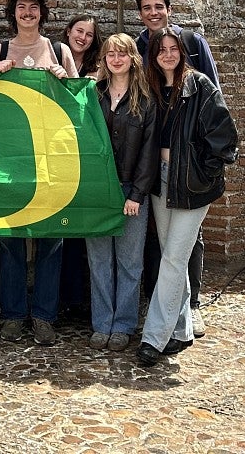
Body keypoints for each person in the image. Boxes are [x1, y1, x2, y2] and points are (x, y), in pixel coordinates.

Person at [136, 27, 239, 367]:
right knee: (171, 256)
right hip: (161, 182)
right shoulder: (150, 88)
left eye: (173, 48)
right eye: (161, 49)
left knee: (175, 257)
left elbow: (226, 140)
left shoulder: (200, 86)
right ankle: (180, 331)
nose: (167, 54)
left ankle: (153, 337)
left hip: (192, 185)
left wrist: (204, 172)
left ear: (182, 51)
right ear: (153, 55)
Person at [0, 0, 78, 346]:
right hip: (10, 158)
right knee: (10, 239)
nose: (27, 13)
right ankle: (13, 314)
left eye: (34, 7)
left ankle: (44, 316)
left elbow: (76, 103)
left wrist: (63, 80)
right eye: (21, 7)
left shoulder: (59, 50)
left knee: (51, 240)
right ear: (13, 13)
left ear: (42, 13)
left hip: (49, 158)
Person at [134, 0, 220, 338]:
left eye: (159, 6)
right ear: (141, 13)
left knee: (189, 238)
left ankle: (192, 305)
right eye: (146, 8)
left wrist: (202, 160)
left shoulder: (193, 42)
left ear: (169, 8)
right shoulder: (138, 46)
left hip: (189, 163)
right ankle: (174, 310)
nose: (153, 12)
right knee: (164, 240)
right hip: (156, 161)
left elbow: (212, 96)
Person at [85, 33, 158, 351]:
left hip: (130, 190)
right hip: (98, 190)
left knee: (129, 261)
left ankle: (124, 325)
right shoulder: (92, 95)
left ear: (132, 59)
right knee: (100, 260)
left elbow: (149, 152)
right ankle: (102, 323)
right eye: (110, 54)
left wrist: (137, 195)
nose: (116, 59)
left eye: (122, 54)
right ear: (103, 59)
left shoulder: (146, 99)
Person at [57, 14, 103, 319]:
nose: (83, 37)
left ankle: (80, 298)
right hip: (59, 154)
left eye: (89, 34)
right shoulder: (53, 58)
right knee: (62, 228)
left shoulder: (100, 68)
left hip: (89, 155)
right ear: (68, 32)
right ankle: (62, 297)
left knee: (84, 230)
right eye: (78, 31)